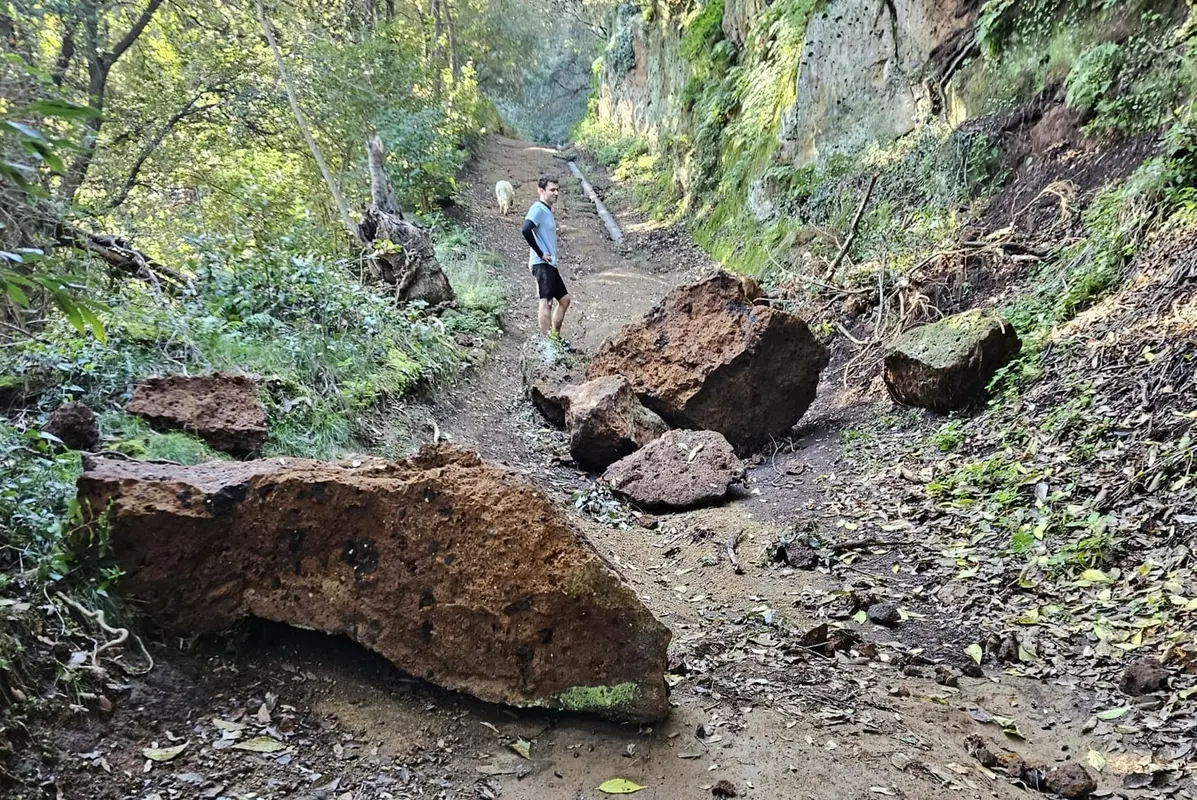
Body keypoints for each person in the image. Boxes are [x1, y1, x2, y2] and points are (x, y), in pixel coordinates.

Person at [521, 174, 570, 340]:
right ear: (541, 190)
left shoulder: (547, 211)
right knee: (546, 302)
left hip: (550, 264)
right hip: (541, 263)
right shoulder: (538, 208)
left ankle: (554, 338)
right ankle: (547, 344)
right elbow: (526, 229)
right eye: (552, 190)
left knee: (564, 300)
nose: (556, 193)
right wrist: (540, 252)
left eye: (557, 190)